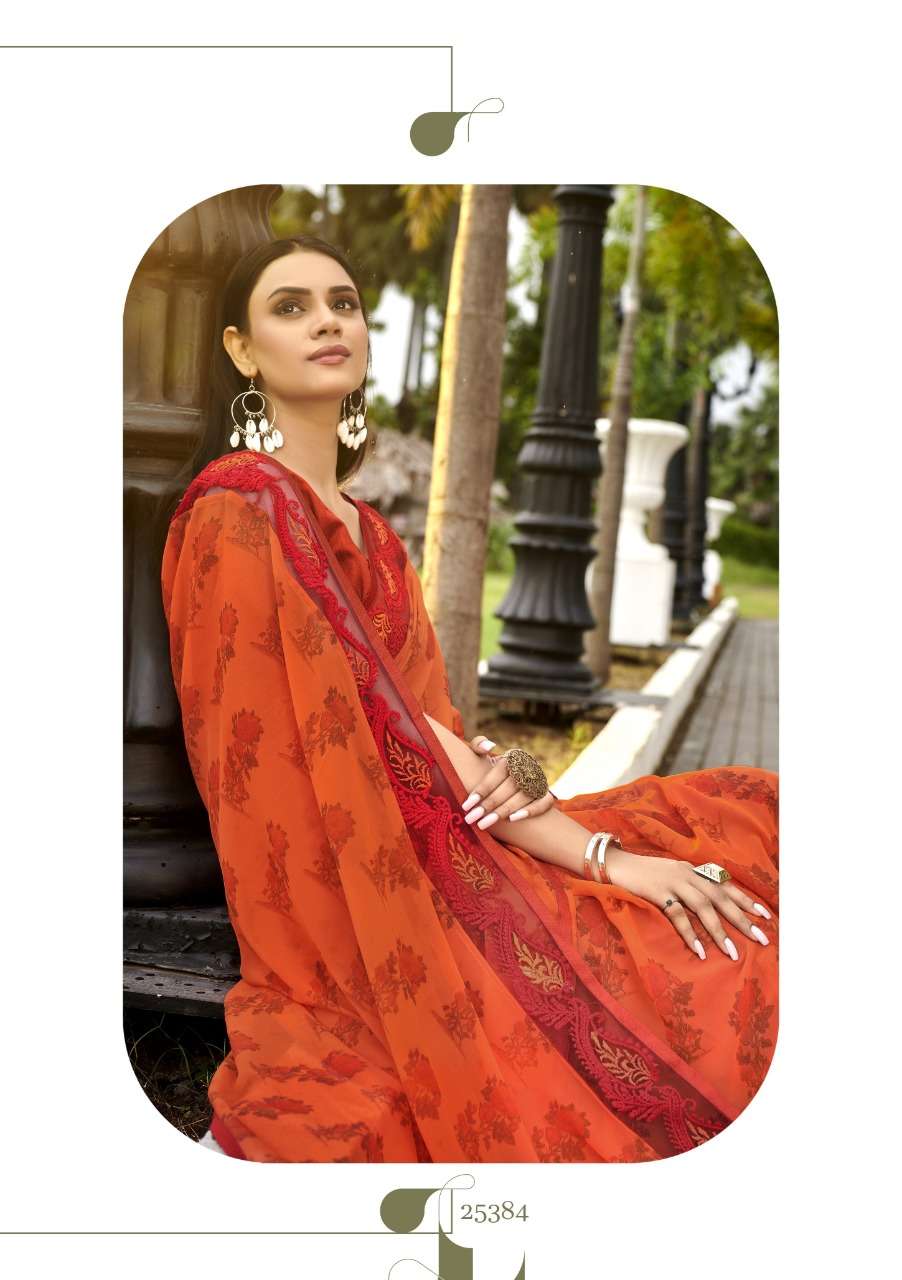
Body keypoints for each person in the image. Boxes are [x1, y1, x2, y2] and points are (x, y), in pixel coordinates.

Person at [160, 234, 778, 1163]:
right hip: (379, 884)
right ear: (242, 350)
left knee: (752, 815)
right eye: (291, 307)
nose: (328, 321)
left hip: (462, 825)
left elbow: (435, 730)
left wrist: (512, 776)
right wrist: (604, 860)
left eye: (343, 303)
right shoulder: (242, 511)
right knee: (709, 964)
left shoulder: (373, 533)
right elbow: (371, 727)